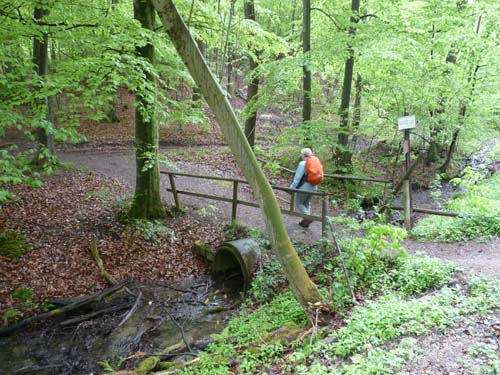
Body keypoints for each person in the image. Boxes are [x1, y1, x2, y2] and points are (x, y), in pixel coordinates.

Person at [290, 148, 318, 227]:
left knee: (298, 203)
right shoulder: (315, 163)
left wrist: (292, 187)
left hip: (304, 187)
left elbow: (297, 177)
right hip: (314, 186)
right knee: (306, 203)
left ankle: (308, 217)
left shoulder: (303, 163)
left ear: (302, 155)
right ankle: (305, 221)